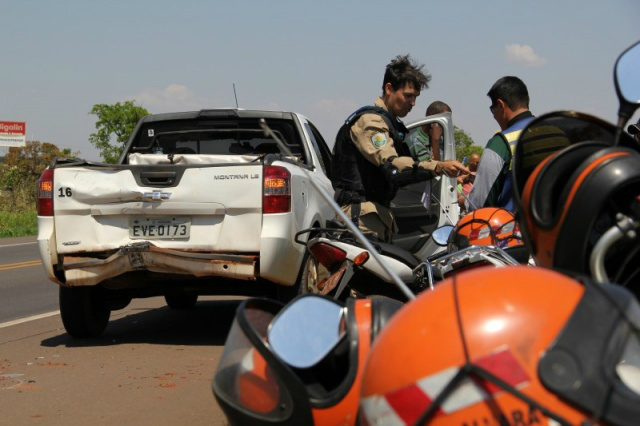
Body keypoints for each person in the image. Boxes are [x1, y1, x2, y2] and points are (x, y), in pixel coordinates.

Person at [332, 55, 468, 242]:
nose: (412, 103)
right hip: (361, 221)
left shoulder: (391, 125)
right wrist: (438, 166)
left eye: (415, 97)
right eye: (408, 96)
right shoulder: (371, 122)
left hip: (375, 218)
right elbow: (394, 166)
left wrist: (439, 168)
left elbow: (408, 171)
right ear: (389, 89)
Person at [465, 76, 534, 212]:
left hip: (515, 230)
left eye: (493, 109)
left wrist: (465, 203)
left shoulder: (501, 143)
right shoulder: (556, 133)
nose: (494, 116)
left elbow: (478, 204)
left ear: (501, 105)